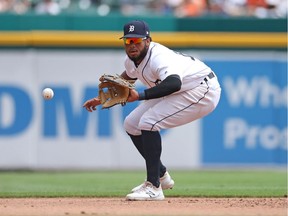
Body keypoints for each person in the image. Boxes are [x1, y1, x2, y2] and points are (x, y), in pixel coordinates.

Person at [83, 20, 221, 201]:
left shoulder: (159, 57)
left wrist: (139, 96)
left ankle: (153, 186)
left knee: (148, 122)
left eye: (137, 41)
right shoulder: (131, 61)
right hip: (180, 90)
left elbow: (174, 83)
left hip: (202, 89)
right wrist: (102, 97)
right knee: (131, 124)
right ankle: (161, 176)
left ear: (148, 41)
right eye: (128, 41)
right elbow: (128, 78)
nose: (132, 45)